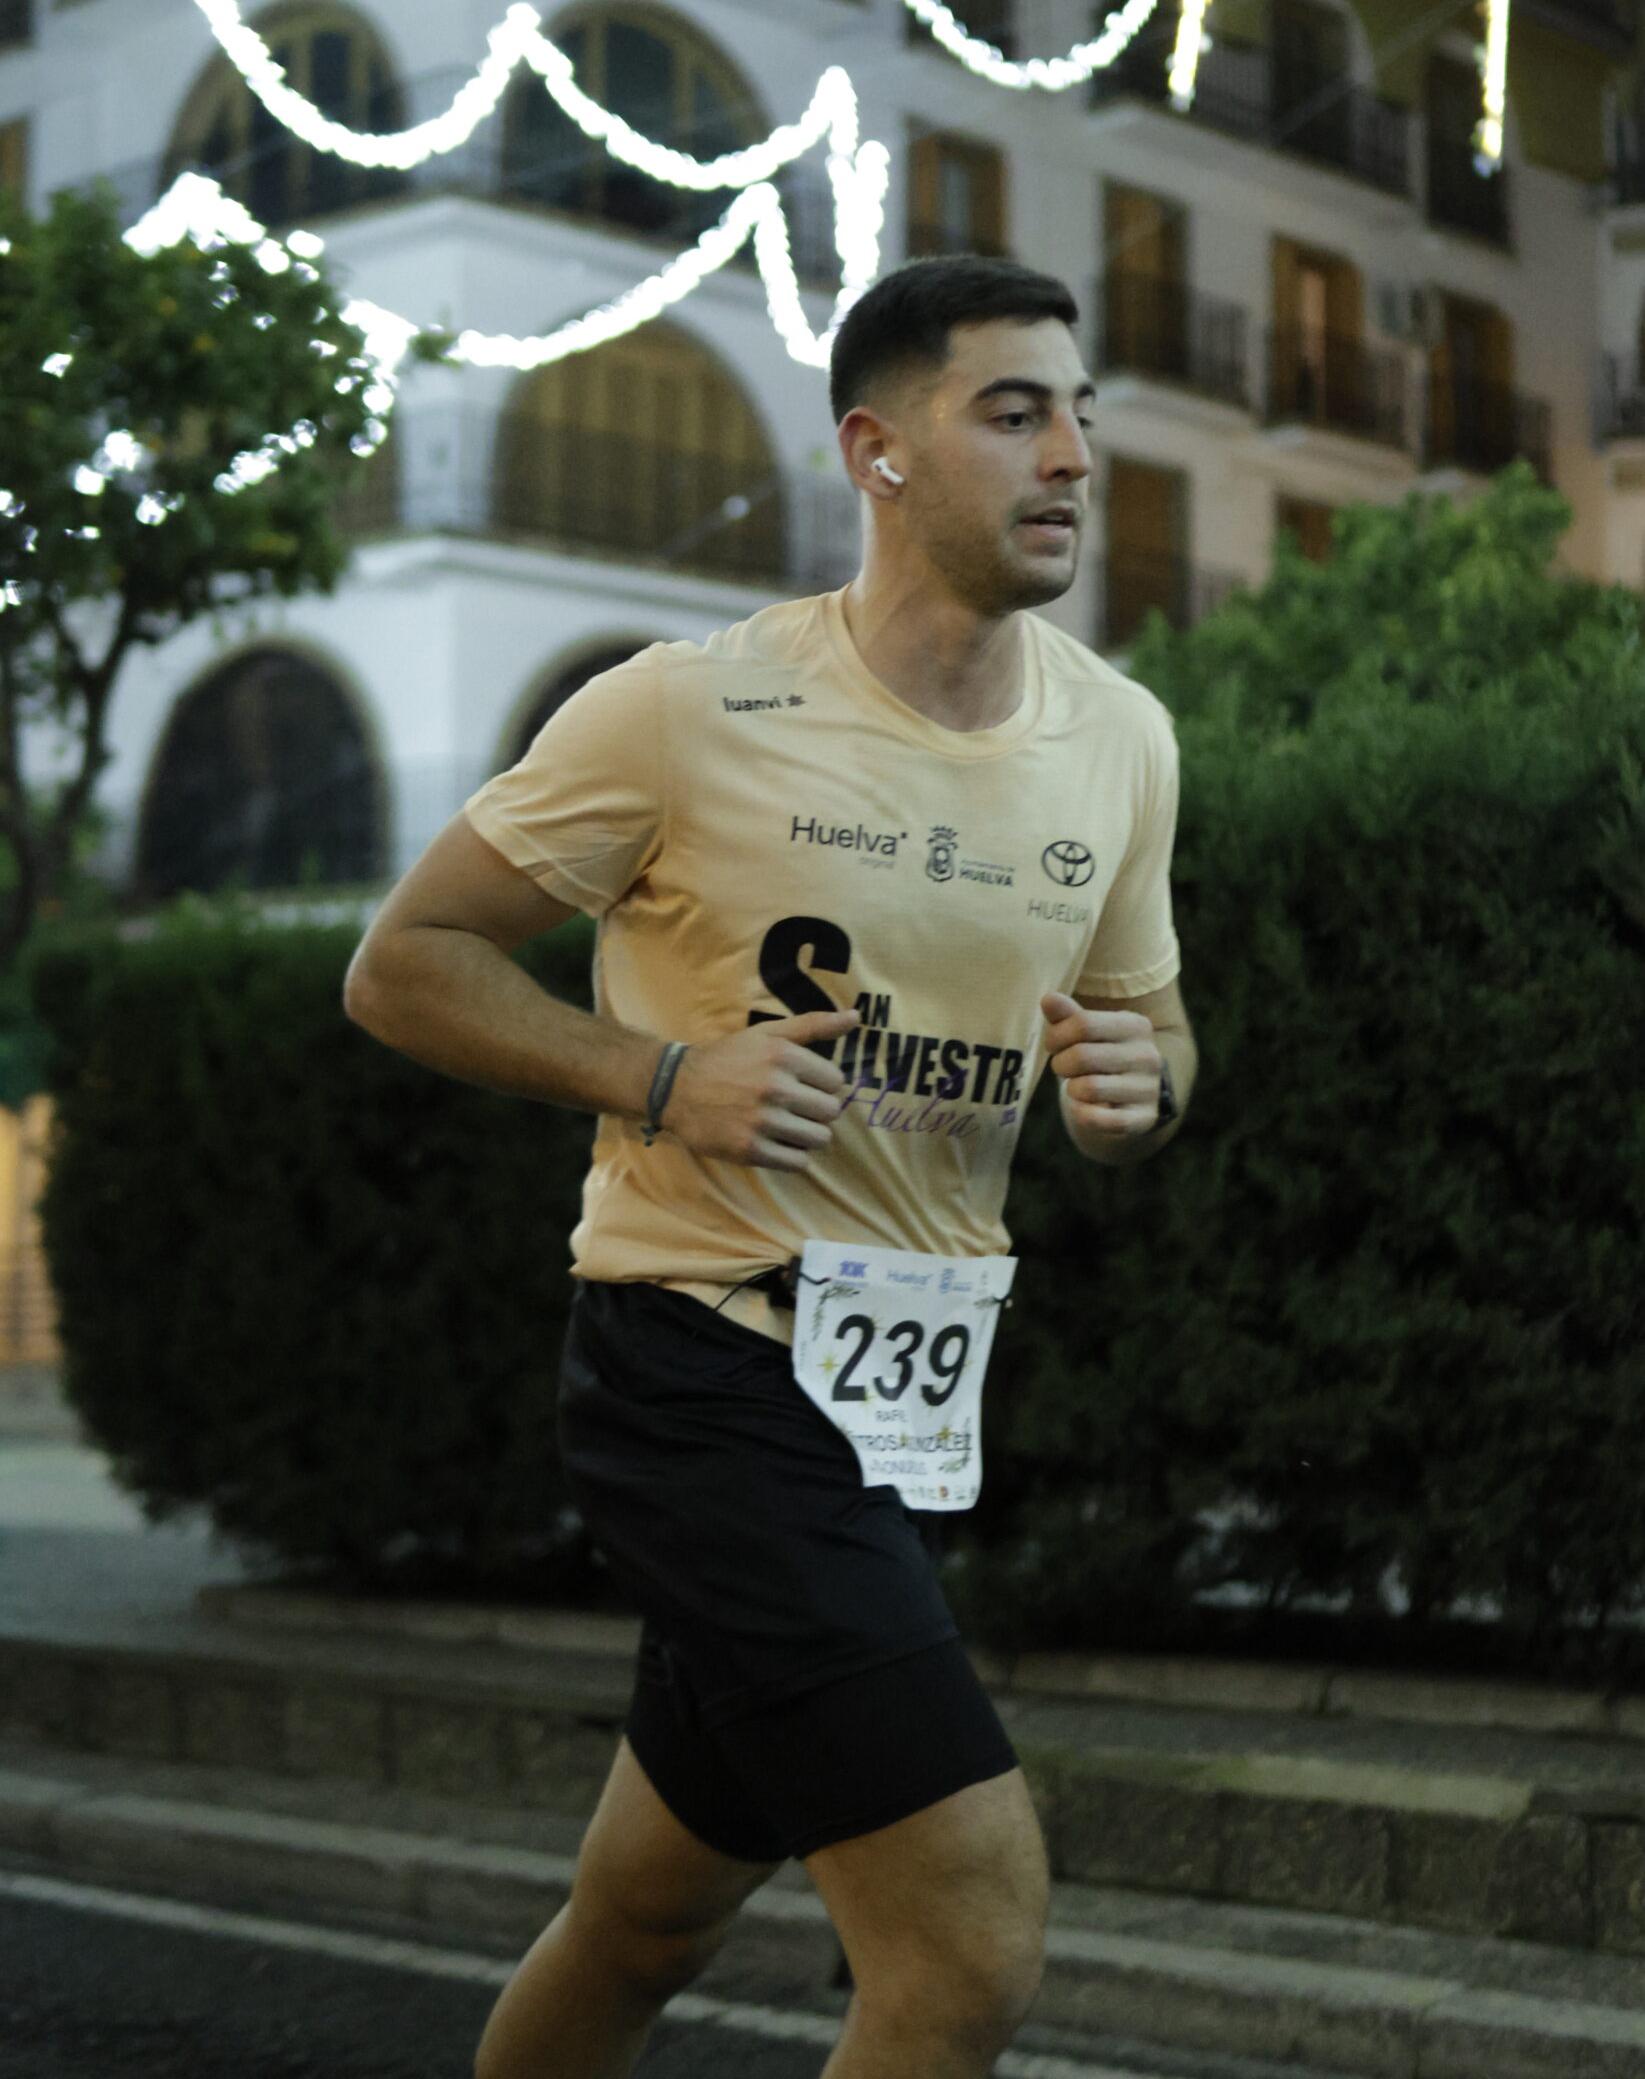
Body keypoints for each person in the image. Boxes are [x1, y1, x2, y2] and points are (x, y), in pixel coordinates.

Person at [343, 253, 1197, 2079]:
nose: (1073, 456)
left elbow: (1150, 1027)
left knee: (644, 1921)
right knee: (967, 1946)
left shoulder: (1123, 739)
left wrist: (1145, 1086)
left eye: (1081, 414)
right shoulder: (681, 709)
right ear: (879, 452)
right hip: (702, 1367)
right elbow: (403, 965)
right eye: (1014, 414)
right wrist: (659, 1076)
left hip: (906, 1403)